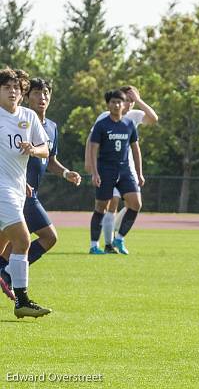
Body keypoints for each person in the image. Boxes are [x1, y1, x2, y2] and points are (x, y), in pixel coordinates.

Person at [0, 78, 82, 302]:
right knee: (42, 237)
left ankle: (6, 271)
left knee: (10, 239)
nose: (42, 97)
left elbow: (50, 159)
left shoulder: (51, 127)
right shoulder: (17, 118)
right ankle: (10, 279)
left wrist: (66, 173)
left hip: (24, 191)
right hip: (15, 191)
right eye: (36, 93)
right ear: (27, 97)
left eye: (46, 93)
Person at [0, 67, 52, 318]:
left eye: (16, 88)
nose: (12, 92)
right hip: (2, 189)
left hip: (18, 189)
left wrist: (33, 148)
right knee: (22, 240)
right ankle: (22, 301)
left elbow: (45, 150)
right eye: (7, 87)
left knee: (3, 246)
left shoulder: (29, 117)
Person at [84, 85, 157, 253]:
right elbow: (92, 141)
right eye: (126, 100)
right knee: (108, 205)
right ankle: (102, 245)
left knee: (135, 203)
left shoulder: (133, 118)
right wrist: (90, 164)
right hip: (106, 169)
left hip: (126, 169)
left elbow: (153, 120)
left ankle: (118, 240)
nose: (127, 104)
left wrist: (139, 100)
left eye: (130, 101)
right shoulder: (104, 119)